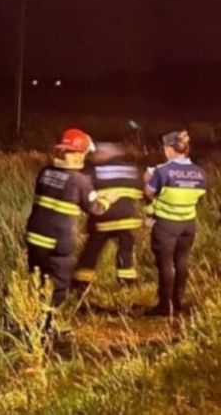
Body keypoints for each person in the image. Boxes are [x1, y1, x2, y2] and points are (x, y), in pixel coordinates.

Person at [25, 128, 119, 314]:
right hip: (58, 244)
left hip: (34, 237)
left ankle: (33, 320)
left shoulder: (45, 173)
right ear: (79, 154)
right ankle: (47, 328)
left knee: (38, 281)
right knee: (58, 286)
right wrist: (108, 199)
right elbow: (95, 209)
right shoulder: (80, 181)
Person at [144, 131, 208, 316]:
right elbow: (201, 194)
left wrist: (147, 178)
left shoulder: (162, 171)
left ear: (169, 149)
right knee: (182, 260)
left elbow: (149, 192)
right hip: (188, 223)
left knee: (165, 264)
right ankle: (178, 303)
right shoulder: (200, 172)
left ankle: (165, 305)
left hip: (166, 224)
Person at [72, 144, 145, 289]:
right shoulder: (131, 170)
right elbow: (141, 192)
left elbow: (84, 193)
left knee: (92, 251)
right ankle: (127, 282)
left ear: (105, 155)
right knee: (126, 250)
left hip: (102, 220)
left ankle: (81, 282)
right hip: (126, 221)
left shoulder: (94, 171)